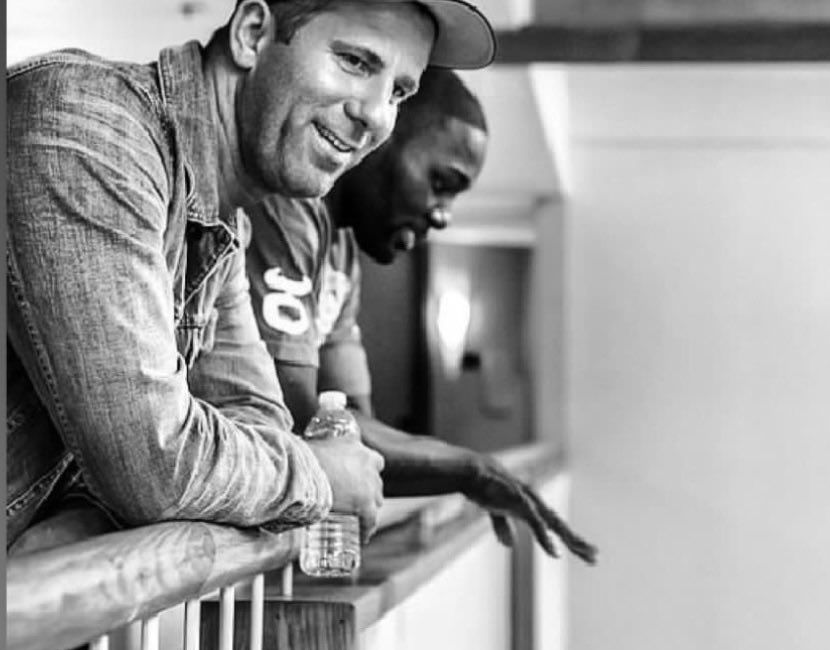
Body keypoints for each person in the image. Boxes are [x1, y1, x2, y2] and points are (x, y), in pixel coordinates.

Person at [6, 0, 496, 554]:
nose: (377, 117)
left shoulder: (224, 224)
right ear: (252, 34)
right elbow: (155, 463)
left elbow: (259, 421)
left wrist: (93, 516)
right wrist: (319, 474)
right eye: (356, 62)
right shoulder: (88, 130)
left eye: (399, 92)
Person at [245, 68, 598, 562]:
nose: (442, 214)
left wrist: (467, 470)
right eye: (440, 182)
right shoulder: (288, 207)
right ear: (381, 136)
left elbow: (353, 436)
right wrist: (469, 469)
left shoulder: (341, 255)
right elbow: (298, 417)